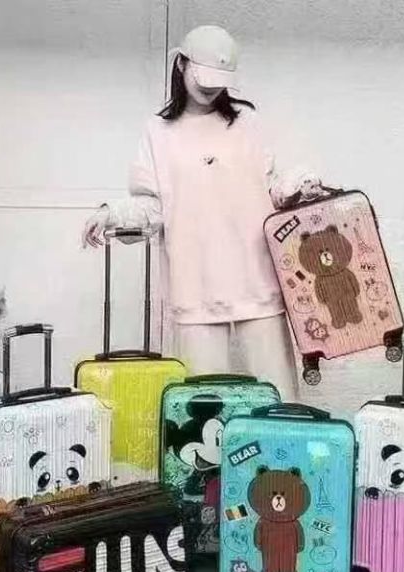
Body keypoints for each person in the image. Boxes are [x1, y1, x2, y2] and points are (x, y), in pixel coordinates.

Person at [83, 25, 325, 400]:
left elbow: (271, 189)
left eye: (219, 80)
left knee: (278, 400)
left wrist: (299, 186)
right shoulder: (158, 131)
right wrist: (111, 213)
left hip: (257, 278)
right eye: (204, 77)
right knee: (203, 410)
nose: (211, 89)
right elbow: (152, 206)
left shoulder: (247, 122)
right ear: (181, 65)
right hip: (194, 285)